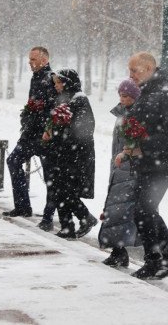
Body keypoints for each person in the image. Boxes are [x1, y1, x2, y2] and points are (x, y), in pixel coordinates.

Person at [116, 51, 168, 279]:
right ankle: (159, 257)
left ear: (148, 68)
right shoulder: (144, 93)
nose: (130, 74)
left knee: (145, 208)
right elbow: (137, 128)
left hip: (162, 163)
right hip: (144, 161)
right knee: (142, 210)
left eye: (134, 70)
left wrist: (142, 147)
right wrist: (128, 149)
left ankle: (164, 255)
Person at [3, 47, 57, 229]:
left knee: (50, 177)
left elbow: (53, 108)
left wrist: (46, 127)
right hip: (30, 134)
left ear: (44, 60)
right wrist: (26, 117)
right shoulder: (35, 77)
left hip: (44, 136)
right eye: (29, 59)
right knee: (13, 160)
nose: (30, 62)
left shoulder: (51, 79)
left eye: (33, 59)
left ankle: (48, 218)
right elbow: (33, 104)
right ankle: (23, 206)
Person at [42, 69, 97, 239]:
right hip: (63, 153)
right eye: (55, 83)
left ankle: (85, 217)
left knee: (65, 191)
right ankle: (67, 226)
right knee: (59, 189)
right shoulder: (64, 99)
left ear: (67, 82)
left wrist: (57, 133)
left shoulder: (80, 100)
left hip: (76, 155)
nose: (56, 86)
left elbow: (84, 128)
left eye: (59, 83)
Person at [98, 79, 142, 267]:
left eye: (125, 96)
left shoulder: (136, 116)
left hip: (129, 169)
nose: (122, 99)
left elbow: (137, 143)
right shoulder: (122, 115)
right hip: (118, 167)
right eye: (120, 96)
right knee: (116, 210)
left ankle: (121, 251)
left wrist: (126, 157)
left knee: (122, 211)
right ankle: (118, 251)